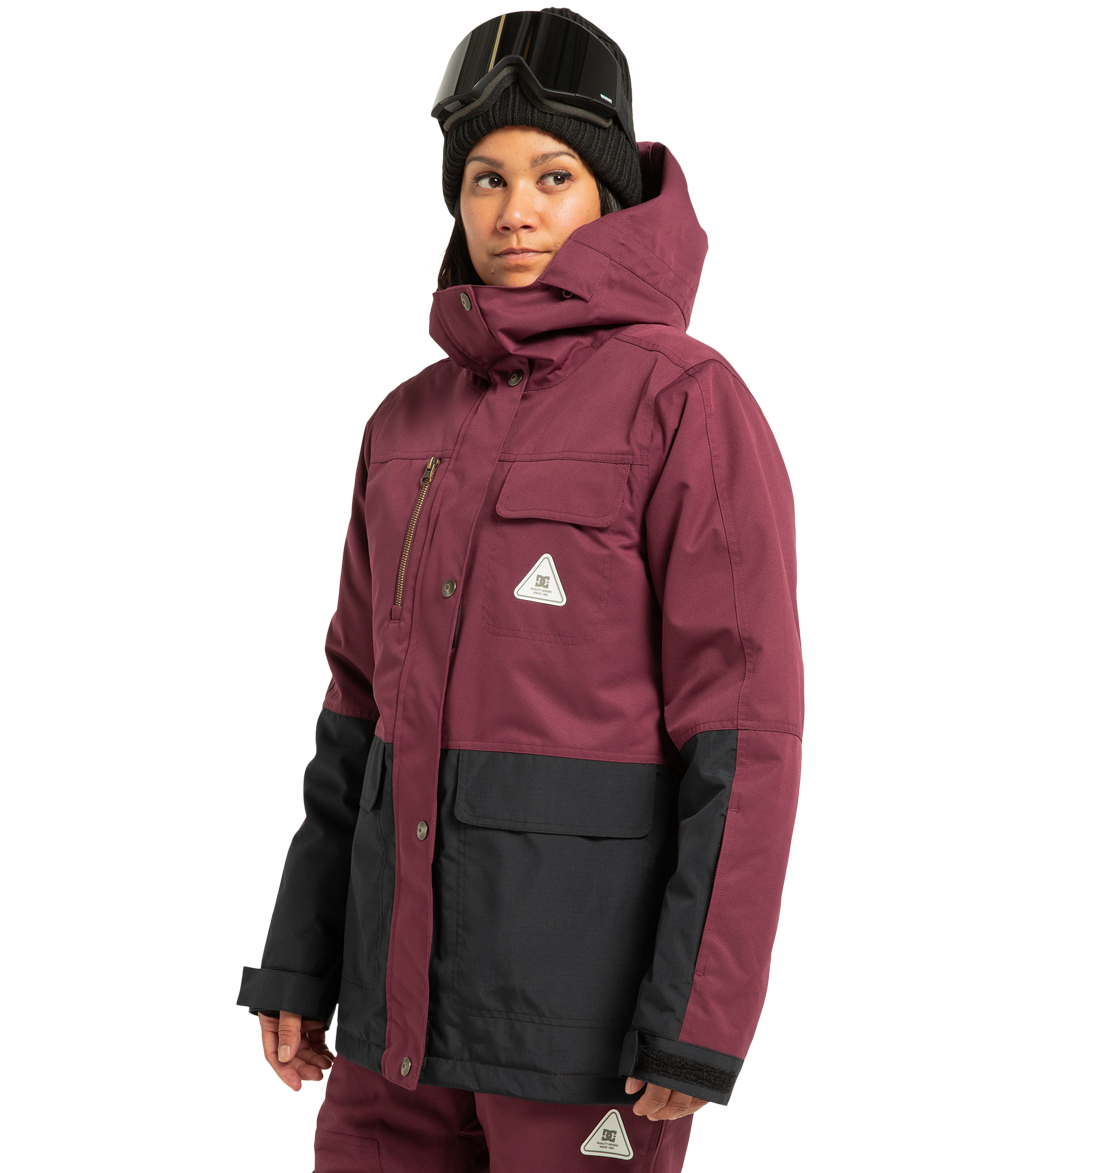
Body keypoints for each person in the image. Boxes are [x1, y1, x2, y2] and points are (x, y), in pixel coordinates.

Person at [237, 10, 804, 1171]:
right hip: (389, 1023)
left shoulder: (682, 402)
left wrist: (698, 1019)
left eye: (553, 176)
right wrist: (299, 954)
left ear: (607, 194)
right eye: (485, 179)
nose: (515, 210)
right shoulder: (406, 424)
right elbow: (354, 710)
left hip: (582, 1033)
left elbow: (744, 731)